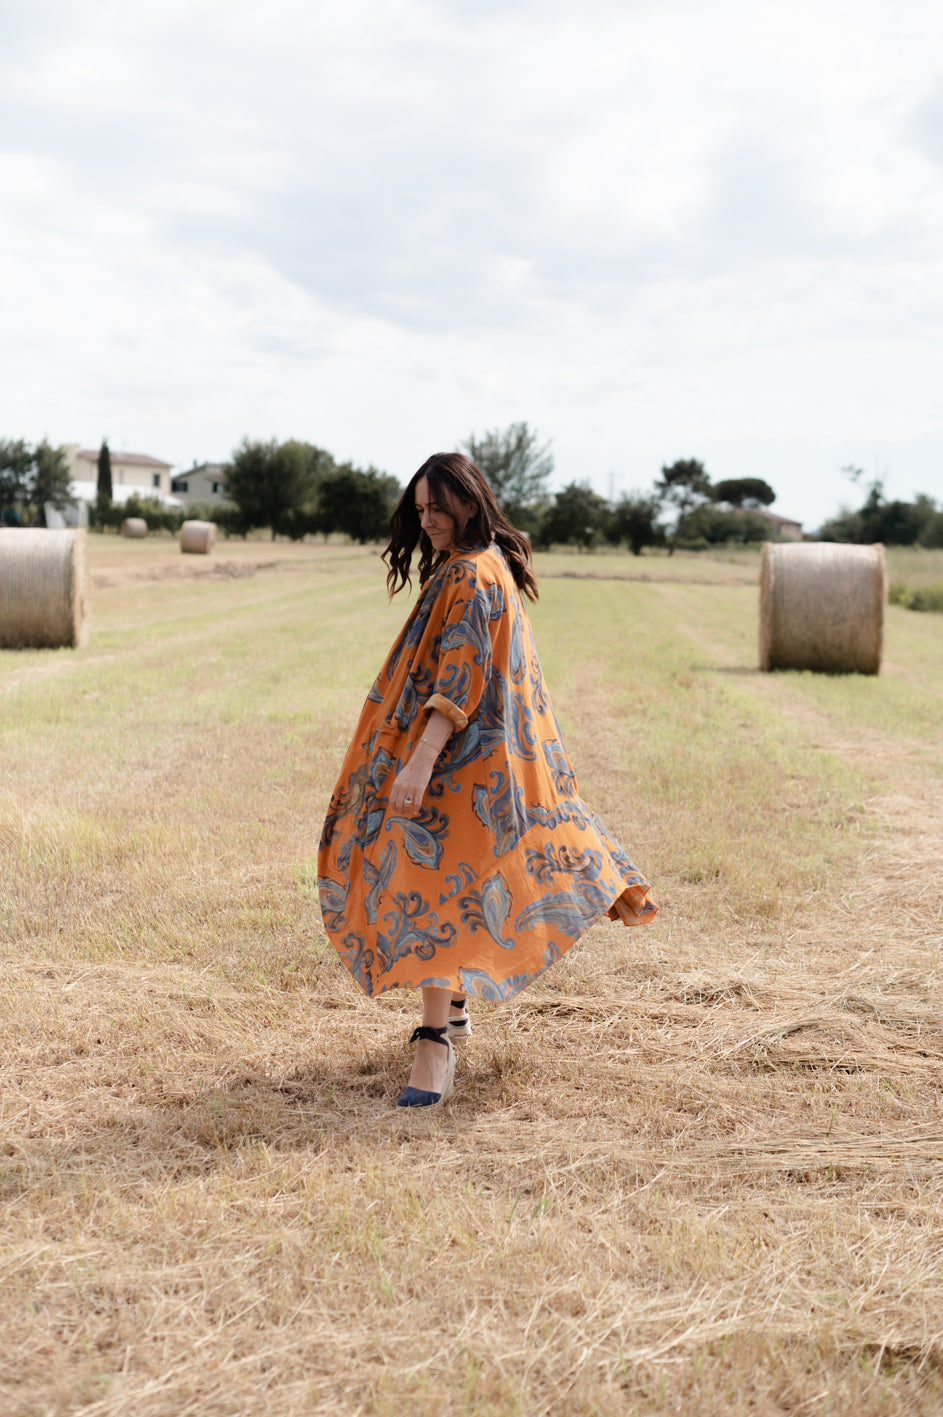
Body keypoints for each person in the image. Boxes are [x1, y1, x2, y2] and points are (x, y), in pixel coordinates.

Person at [318, 452, 657, 1108]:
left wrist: (418, 761)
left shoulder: (473, 575)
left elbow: (459, 677)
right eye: (418, 511)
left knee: (431, 891)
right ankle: (454, 1009)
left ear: (468, 503)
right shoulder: (481, 564)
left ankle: (433, 1042)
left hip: (456, 764)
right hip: (480, 764)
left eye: (436, 509)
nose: (426, 522)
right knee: (459, 884)